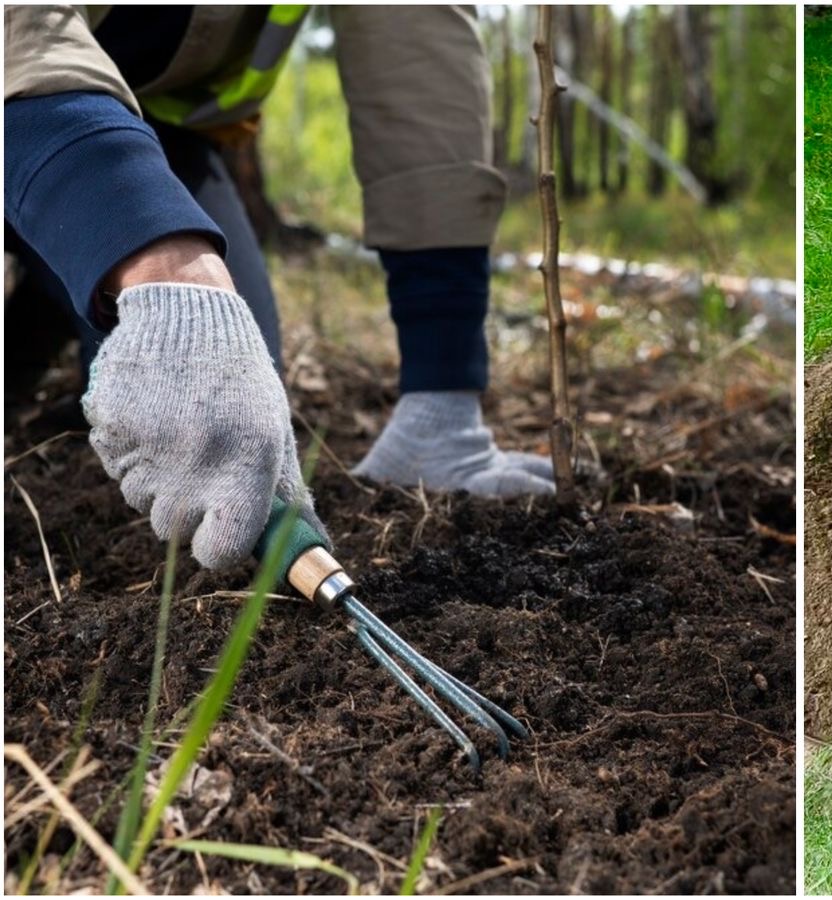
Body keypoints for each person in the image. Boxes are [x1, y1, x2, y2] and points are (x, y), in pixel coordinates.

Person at [4, 5, 556, 570]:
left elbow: (417, 56)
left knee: (225, 411)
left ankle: (48, 300)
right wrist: (164, 266)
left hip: (147, 127)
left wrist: (442, 394)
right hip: (36, 99)